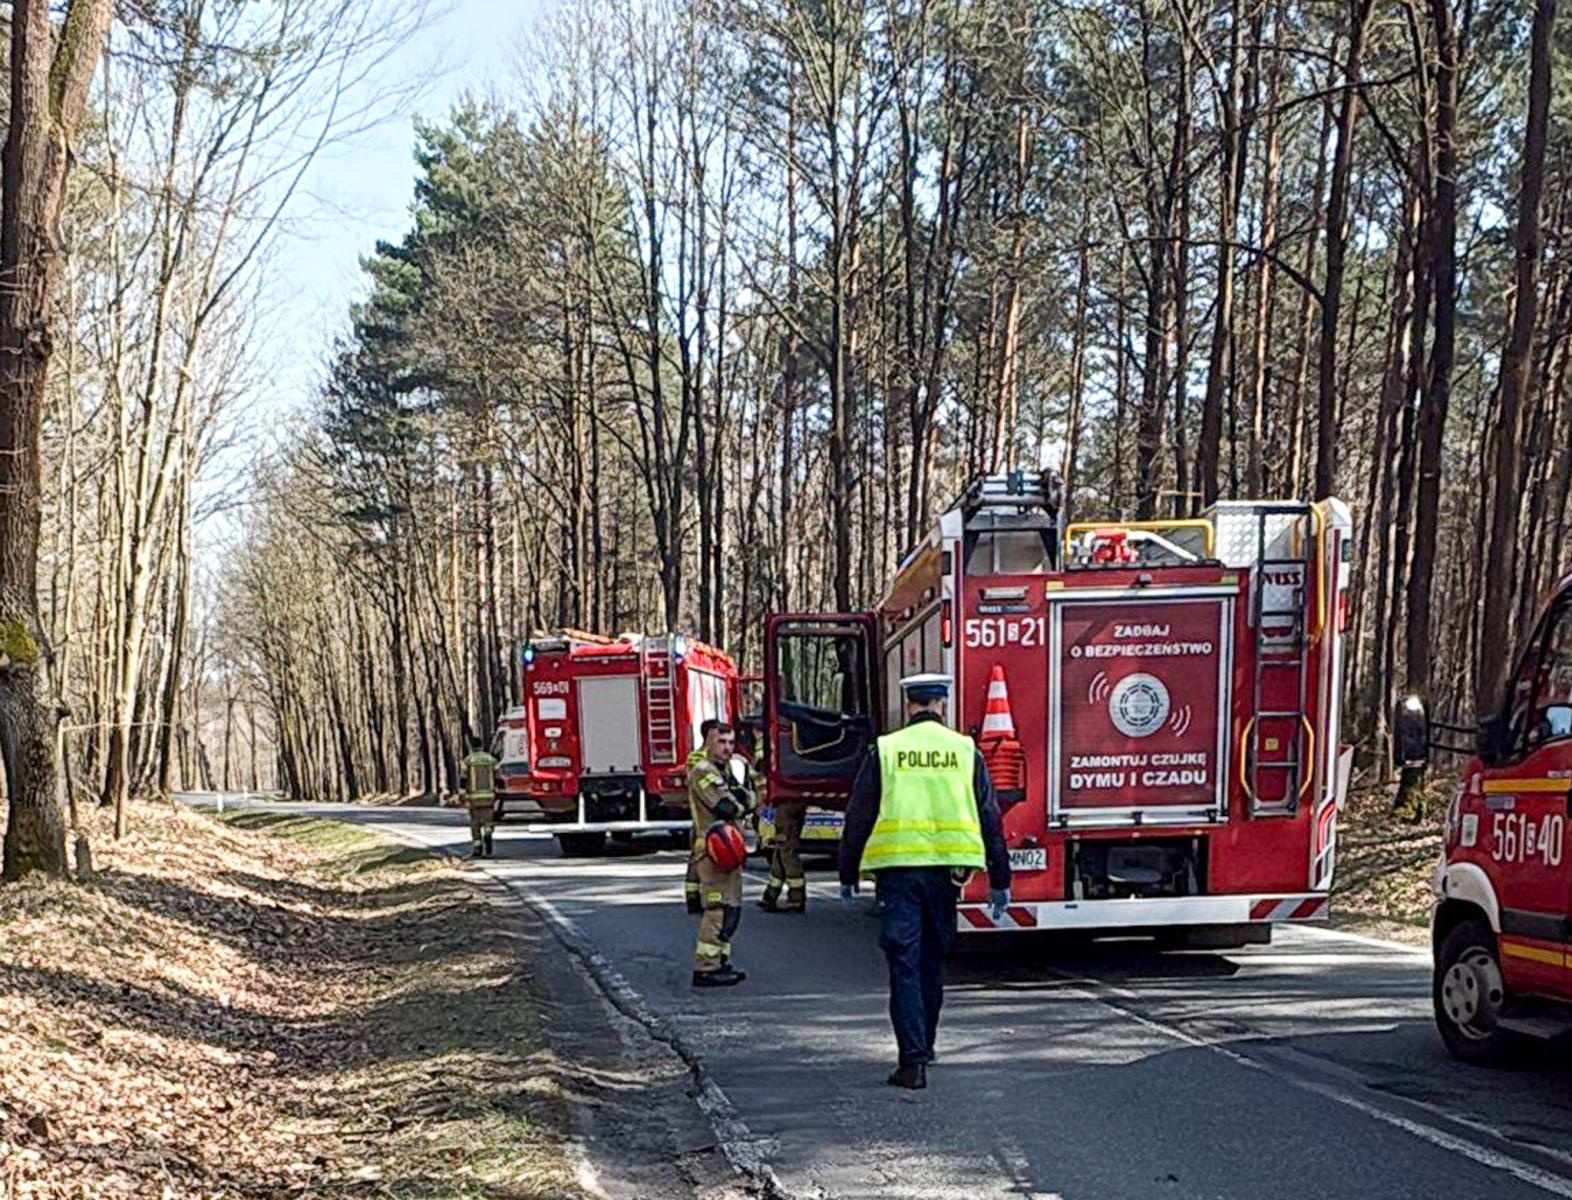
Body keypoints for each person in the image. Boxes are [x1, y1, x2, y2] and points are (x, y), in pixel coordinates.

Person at [839, 674, 1011, 1089]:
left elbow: (858, 814)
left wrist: (847, 873)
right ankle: (925, 1045)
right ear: (943, 705)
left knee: (904, 964)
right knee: (932, 963)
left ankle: (912, 1061)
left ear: (909, 705)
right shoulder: (965, 751)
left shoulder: (887, 749)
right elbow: (990, 816)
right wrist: (1000, 879)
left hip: (898, 875)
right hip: (945, 878)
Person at [689, 721, 755, 987]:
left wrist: (744, 800)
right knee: (717, 909)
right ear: (708, 742)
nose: (727, 748)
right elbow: (728, 807)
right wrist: (743, 801)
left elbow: (752, 799)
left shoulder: (726, 770)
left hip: (728, 849)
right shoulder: (704, 771)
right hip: (714, 850)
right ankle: (706, 967)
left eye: (730, 742)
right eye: (721, 742)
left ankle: (721, 961)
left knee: (730, 909)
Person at [750, 727, 805, 913]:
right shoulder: (787, 739)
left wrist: (759, 806)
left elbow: (762, 782)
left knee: (787, 849)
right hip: (793, 799)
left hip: (785, 803)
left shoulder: (763, 746)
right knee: (780, 847)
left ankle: (796, 897)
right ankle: (771, 894)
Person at [684, 718, 723, 913]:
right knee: (699, 856)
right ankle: (694, 897)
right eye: (718, 736)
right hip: (702, 816)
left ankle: (706, 896)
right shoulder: (697, 758)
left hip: (714, 817)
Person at [459, 742, 500, 858]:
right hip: (489, 796)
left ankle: (477, 848)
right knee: (488, 818)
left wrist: (462, 794)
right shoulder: (491, 760)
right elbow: (498, 778)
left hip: (474, 798)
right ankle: (488, 831)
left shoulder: (468, 760)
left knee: (475, 823)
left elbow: (463, 779)